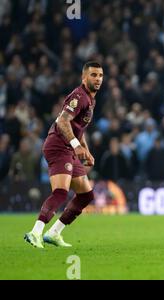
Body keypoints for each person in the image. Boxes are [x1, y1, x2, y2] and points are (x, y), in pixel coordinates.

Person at [24, 61, 103, 248]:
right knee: (60, 192)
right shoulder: (79, 96)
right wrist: (76, 146)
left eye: (100, 75)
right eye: (93, 75)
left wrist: (86, 149)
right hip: (58, 146)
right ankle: (35, 232)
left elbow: (78, 128)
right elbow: (62, 121)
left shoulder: (91, 99)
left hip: (69, 148)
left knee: (86, 196)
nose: (98, 79)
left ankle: (54, 233)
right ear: (84, 77)